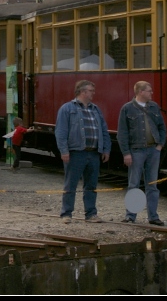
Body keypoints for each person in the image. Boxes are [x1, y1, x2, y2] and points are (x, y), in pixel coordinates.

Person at [55, 79, 110, 224]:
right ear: (83, 92)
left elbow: (104, 130)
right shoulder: (67, 109)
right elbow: (61, 132)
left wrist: (105, 149)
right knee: (70, 184)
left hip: (93, 153)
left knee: (91, 185)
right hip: (75, 152)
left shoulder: (96, 109)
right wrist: (64, 150)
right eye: (91, 91)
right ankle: (66, 214)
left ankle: (91, 214)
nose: (93, 93)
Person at [116, 81, 167, 226]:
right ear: (140, 92)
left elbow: (162, 127)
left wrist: (160, 145)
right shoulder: (127, 108)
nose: (152, 93)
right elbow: (122, 133)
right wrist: (126, 153)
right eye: (149, 91)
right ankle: (131, 216)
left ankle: (153, 216)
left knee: (152, 185)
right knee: (134, 184)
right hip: (136, 150)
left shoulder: (154, 107)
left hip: (153, 150)